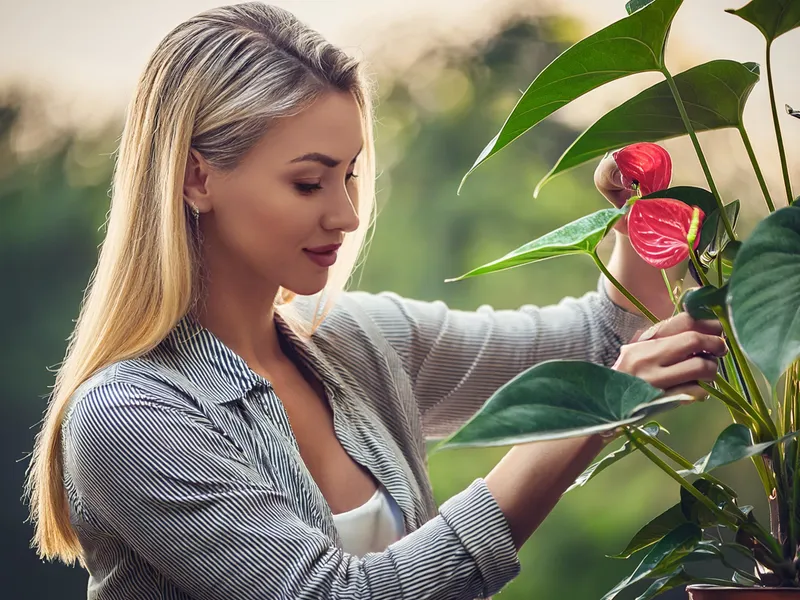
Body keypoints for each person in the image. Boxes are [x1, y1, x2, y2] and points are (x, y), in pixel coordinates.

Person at [24, 4, 726, 599]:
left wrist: (641, 211)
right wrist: (586, 424)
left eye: (352, 175)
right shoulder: (129, 417)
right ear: (195, 178)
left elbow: (598, 345)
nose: (347, 214)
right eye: (309, 183)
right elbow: (345, 594)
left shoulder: (355, 342)